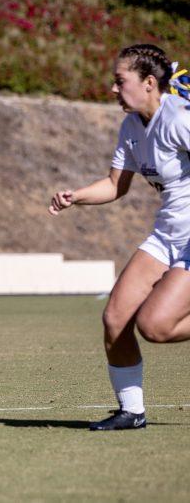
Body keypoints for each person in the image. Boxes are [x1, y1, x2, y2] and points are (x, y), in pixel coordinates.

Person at [49, 44, 190, 431]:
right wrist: (75, 197)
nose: (113, 89)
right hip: (167, 235)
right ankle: (132, 411)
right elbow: (115, 186)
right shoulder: (131, 126)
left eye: (119, 81)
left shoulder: (179, 118)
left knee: (156, 326)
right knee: (115, 318)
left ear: (148, 83)